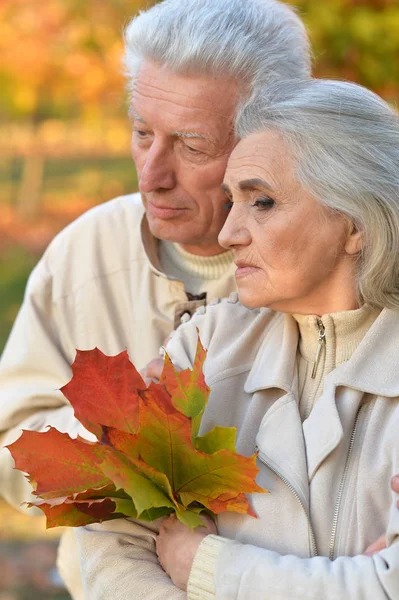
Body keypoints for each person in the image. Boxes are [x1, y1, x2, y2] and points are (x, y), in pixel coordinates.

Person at [0, 0, 312, 598]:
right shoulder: (82, 255)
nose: (151, 173)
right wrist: (116, 428)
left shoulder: (337, 262)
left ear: (274, 137)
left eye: (192, 146)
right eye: (142, 133)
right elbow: (15, 451)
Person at [77, 78, 399, 599]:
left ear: (355, 224)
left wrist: (204, 564)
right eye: (232, 201)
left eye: (263, 202)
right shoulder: (202, 346)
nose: (229, 234)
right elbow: (116, 539)